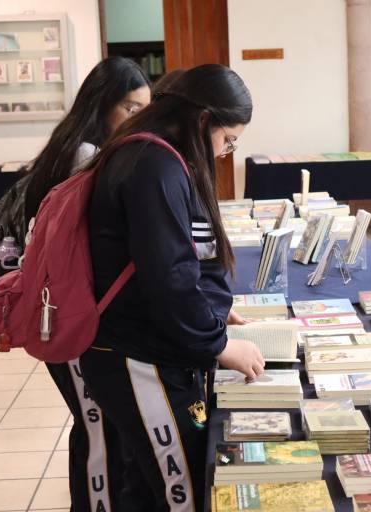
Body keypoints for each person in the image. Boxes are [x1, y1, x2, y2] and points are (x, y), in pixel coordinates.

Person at [80, 64, 265, 511]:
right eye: (228, 138)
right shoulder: (154, 164)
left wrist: (214, 312)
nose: (225, 152)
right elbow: (170, 275)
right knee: (181, 487)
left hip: (147, 349)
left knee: (146, 488)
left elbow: (185, 260)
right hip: (138, 357)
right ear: (203, 119)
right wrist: (218, 343)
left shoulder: (161, 157)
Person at [23, 56, 152, 512]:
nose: (139, 119)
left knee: (95, 425)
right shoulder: (86, 155)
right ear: (103, 106)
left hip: (68, 308)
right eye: (131, 109)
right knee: (96, 428)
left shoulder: (75, 146)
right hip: (72, 313)